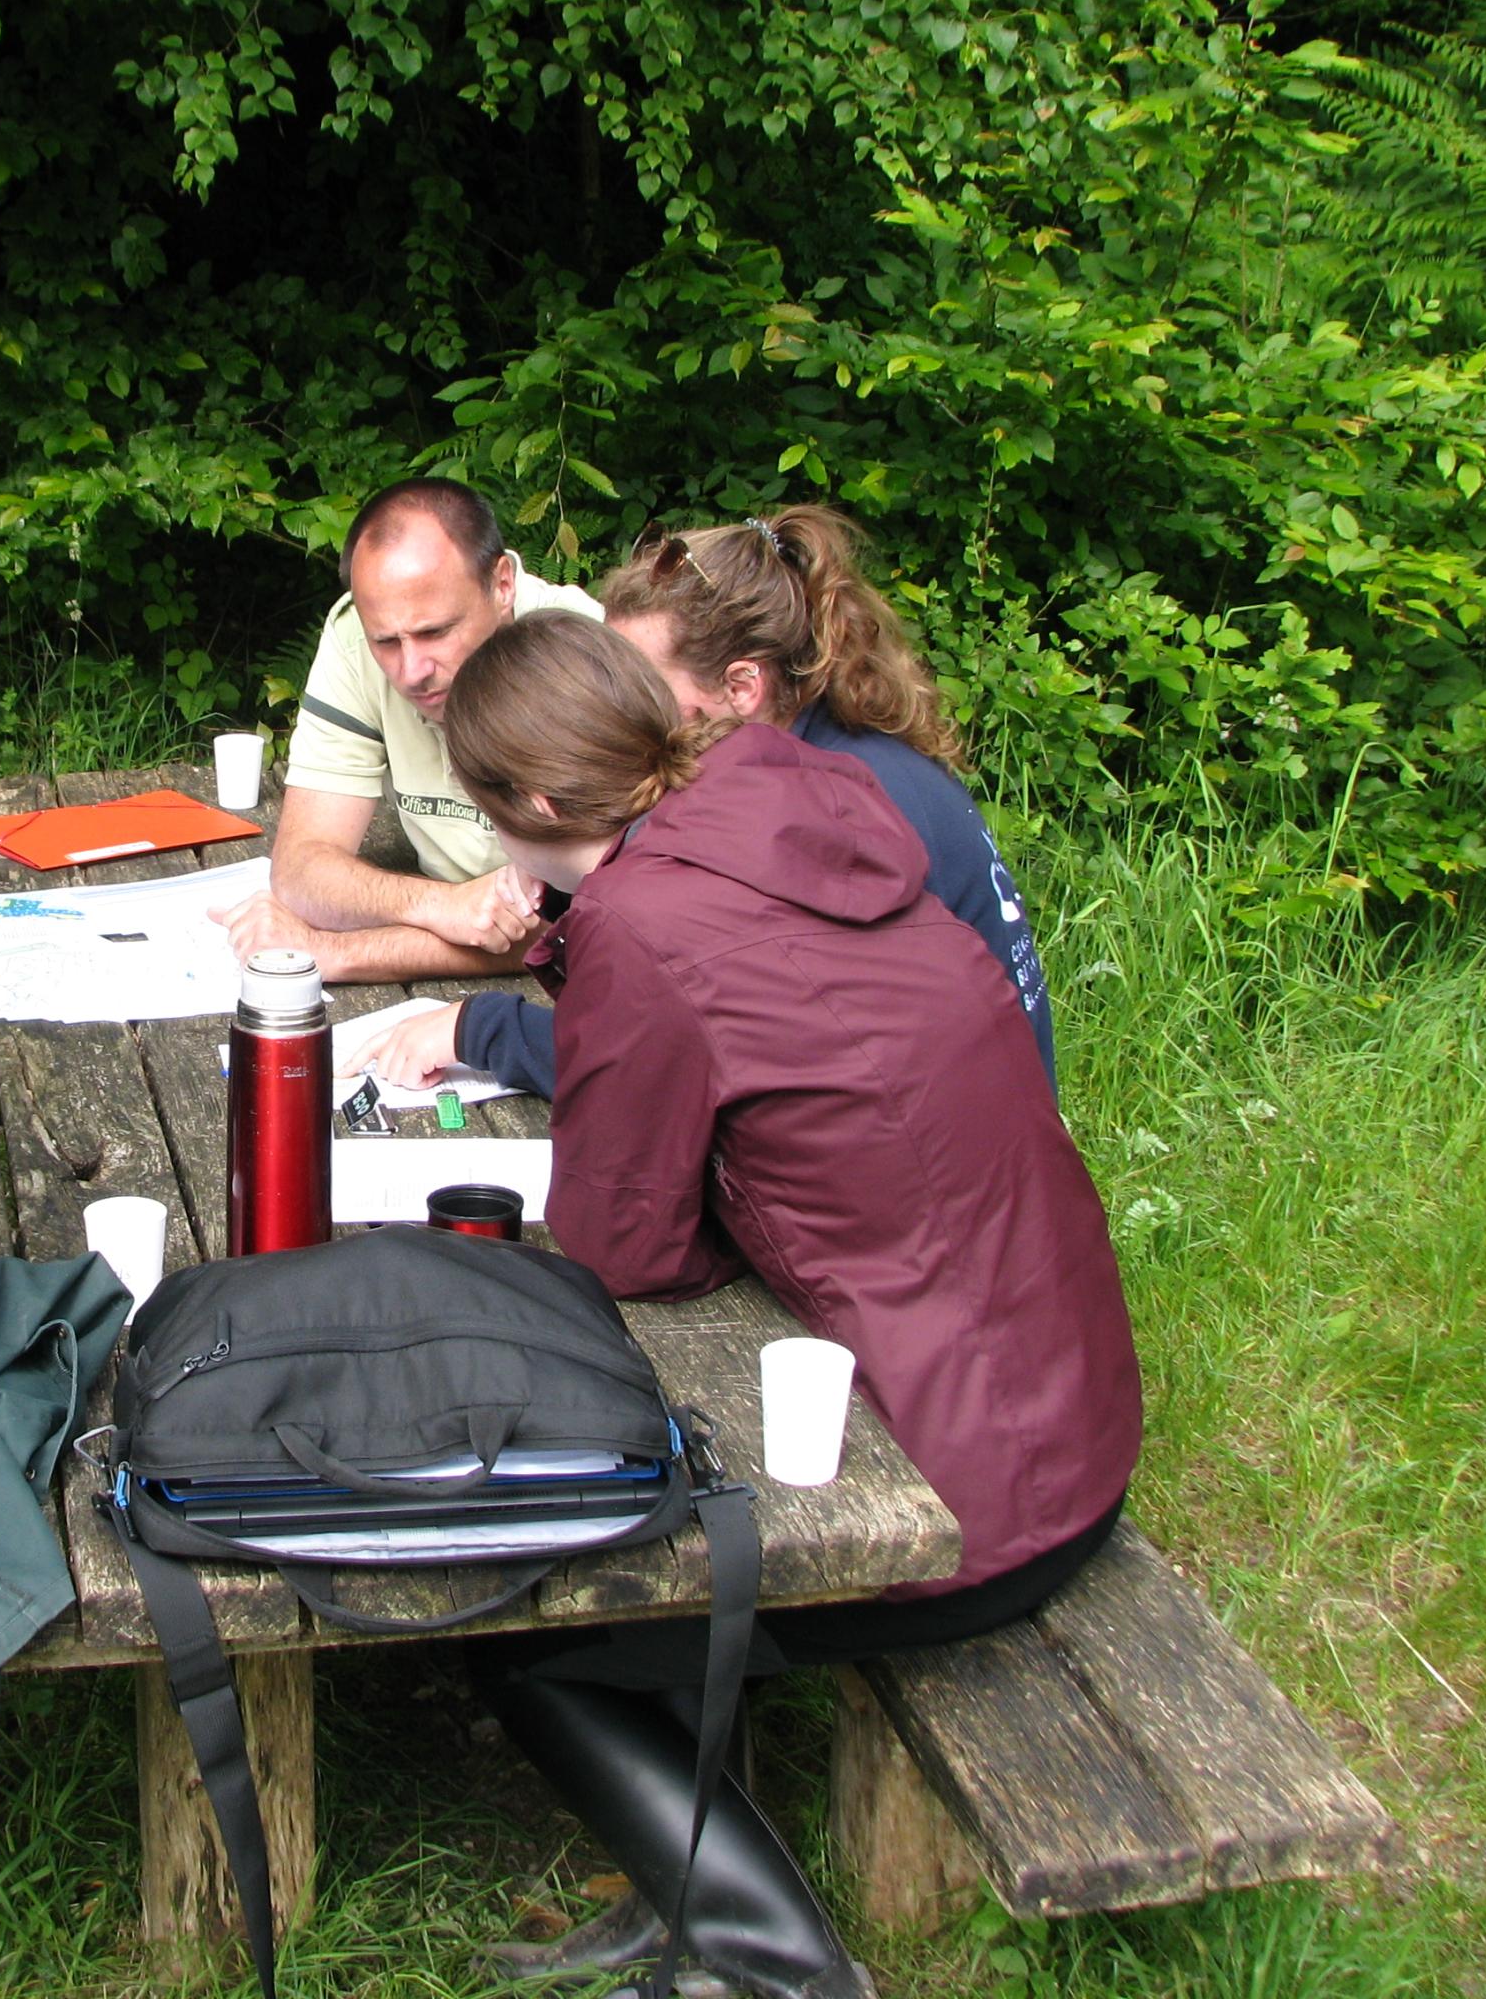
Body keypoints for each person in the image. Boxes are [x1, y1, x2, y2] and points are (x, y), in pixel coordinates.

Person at [437, 613, 1141, 1999]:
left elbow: (626, 1247)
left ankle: (777, 1970)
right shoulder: (786, 795)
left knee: (531, 1633)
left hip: (976, 1499)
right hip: (1072, 1408)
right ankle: (689, 1905)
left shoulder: (642, 920)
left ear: (524, 806)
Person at [351, 505, 1053, 1101]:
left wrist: (484, 1029)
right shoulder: (813, 772)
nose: (621, 717)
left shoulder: (835, 809)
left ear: (742, 688)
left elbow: (671, 1051)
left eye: (643, 694)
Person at [212, 477, 599, 980]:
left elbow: (585, 917)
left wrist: (339, 953)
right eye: (387, 642)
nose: (411, 670)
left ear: (502, 584)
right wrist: (440, 905)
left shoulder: (582, 656)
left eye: (435, 632)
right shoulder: (355, 634)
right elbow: (301, 869)